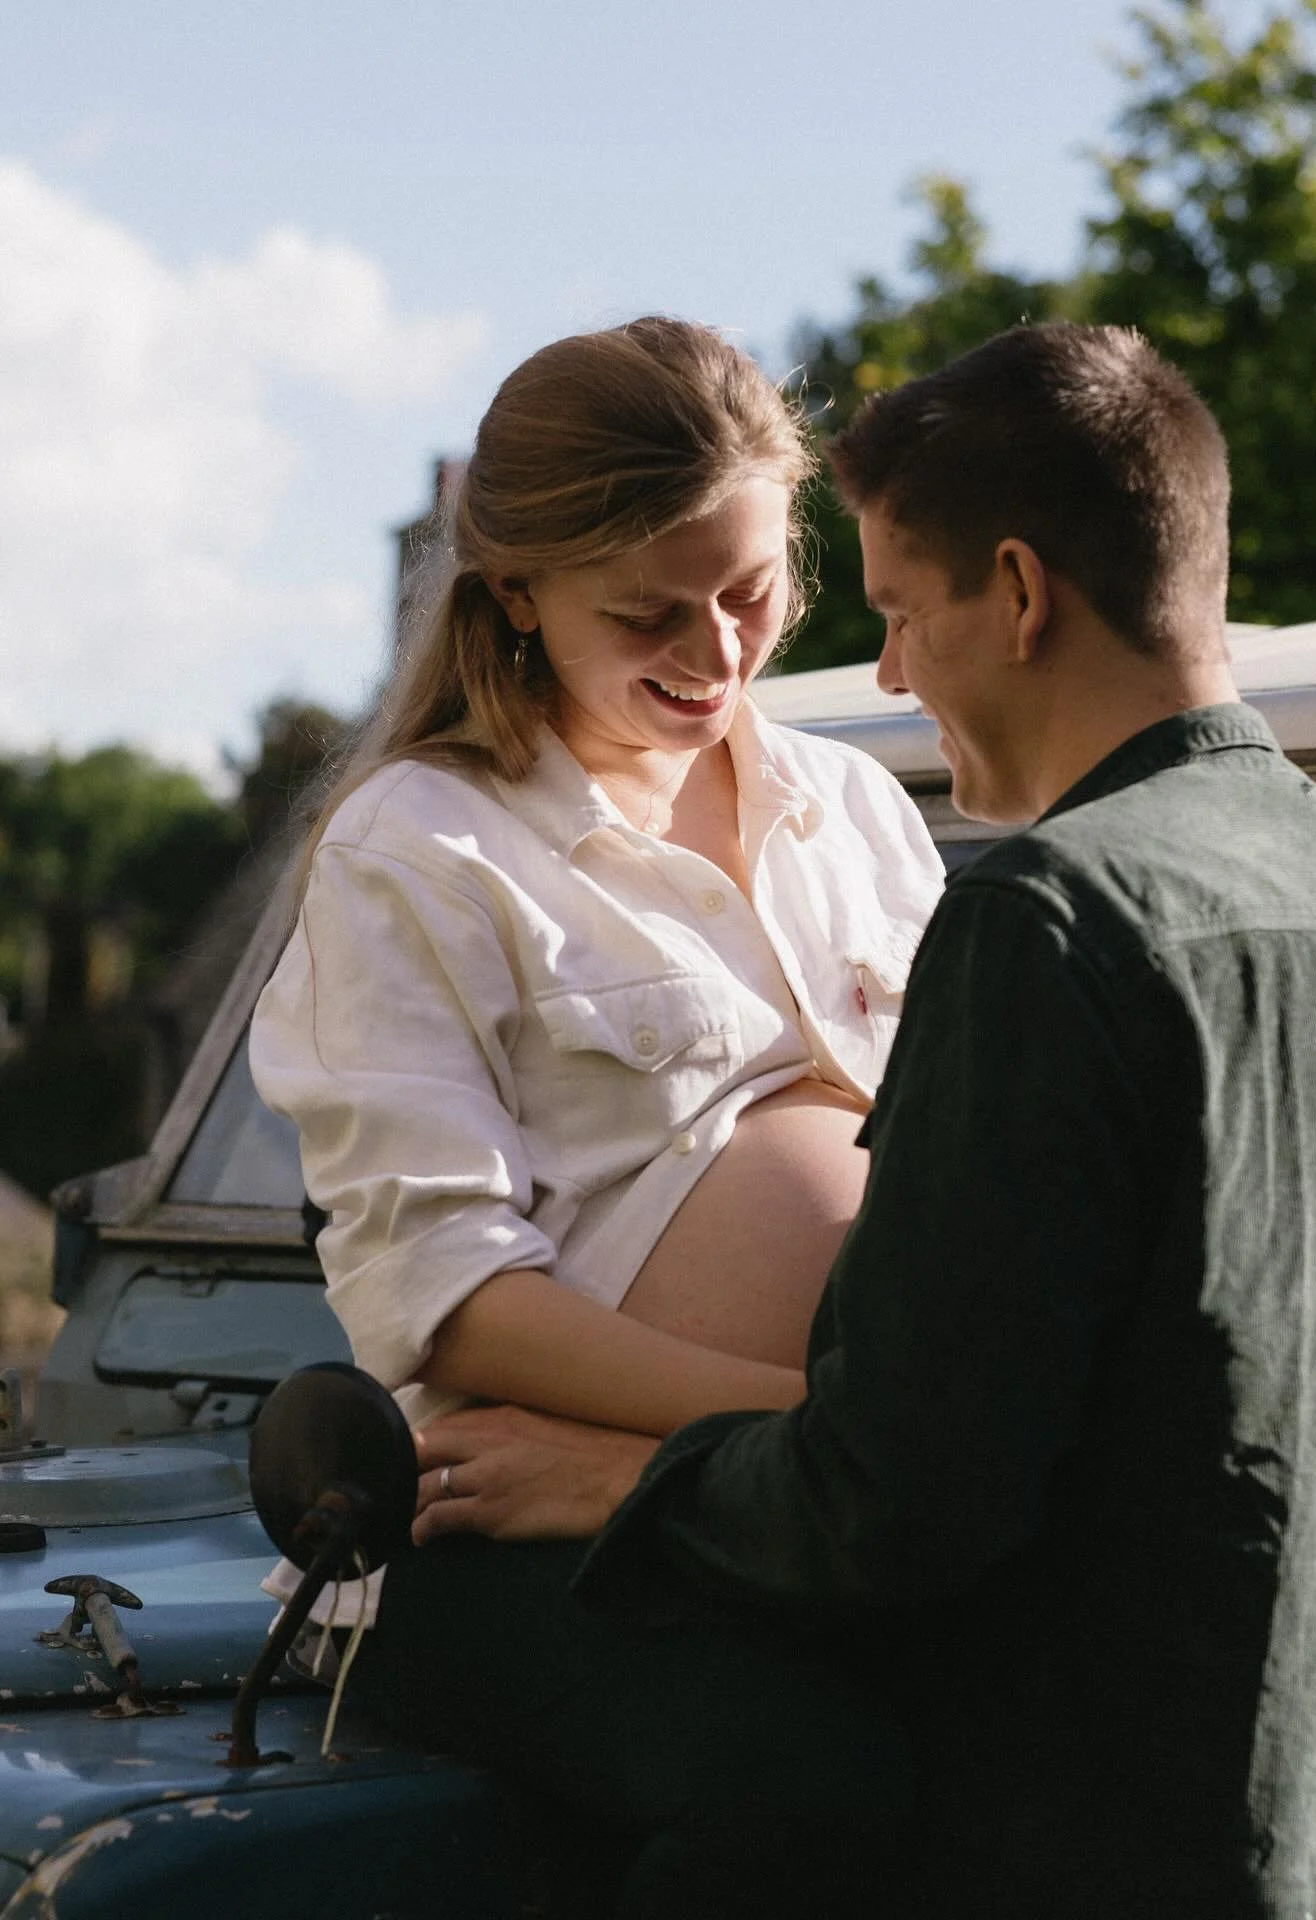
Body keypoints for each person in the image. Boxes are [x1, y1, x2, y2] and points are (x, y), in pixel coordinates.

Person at [417, 321, 1316, 1919]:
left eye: (897, 613)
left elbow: (906, 1497)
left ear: (1020, 595)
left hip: (1110, 1826)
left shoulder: (1052, 916)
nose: (884, 672)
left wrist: (623, 1481)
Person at [248, 315, 944, 1914]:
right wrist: (802, 1429)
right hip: (530, 1542)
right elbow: (453, 1302)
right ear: (516, 593)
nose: (717, 651)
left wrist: (849, 1469)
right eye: (649, 612)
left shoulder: (853, 809)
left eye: (753, 592)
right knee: (811, 1792)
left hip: (826, 1511)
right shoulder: (419, 847)